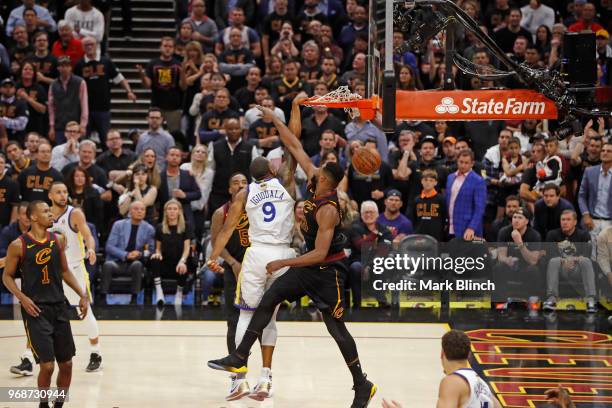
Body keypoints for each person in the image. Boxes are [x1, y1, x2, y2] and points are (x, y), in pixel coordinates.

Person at [207, 105, 377, 408]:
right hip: (305, 263)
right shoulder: (314, 177)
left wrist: (284, 262)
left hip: (327, 269)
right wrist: (276, 119)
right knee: (270, 297)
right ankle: (239, 357)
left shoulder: (328, 209)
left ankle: (361, 384)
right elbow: (293, 145)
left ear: (327, 181)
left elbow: (319, 253)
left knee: (336, 330)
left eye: (321, 169)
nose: (315, 167)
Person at [206, 99, 302, 400]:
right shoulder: (286, 182)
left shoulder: (245, 194)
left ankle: (239, 380)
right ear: (272, 170)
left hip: (257, 253)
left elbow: (226, 231)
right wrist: (286, 113)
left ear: (250, 175)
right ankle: (266, 379)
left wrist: (212, 257)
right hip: (284, 255)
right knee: (269, 318)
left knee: (245, 315)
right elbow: (293, 143)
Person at [2, 200, 88, 408]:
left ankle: (58, 404)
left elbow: (65, 271)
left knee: (66, 364)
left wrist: (82, 294)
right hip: (35, 310)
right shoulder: (18, 245)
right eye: (45, 211)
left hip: (59, 306)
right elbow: (7, 276)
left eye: (50, 211)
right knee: (47, 366)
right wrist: (22, 297)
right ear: (33, 217)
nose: (51, 215)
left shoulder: (57, 241)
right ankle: (43, 404)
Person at [47, 182, 102, 371]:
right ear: (50, 195)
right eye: (58, 192)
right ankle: (29, 358)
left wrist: (91, 249)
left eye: (65, 191)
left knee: (84, 312)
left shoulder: (74, 213)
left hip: (74, 269)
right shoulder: (44, 215)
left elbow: (88, 235)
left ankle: (96, 353)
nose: (63, 195)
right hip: (50, 270)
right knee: (40, 313)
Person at [100, 201, 155, 305]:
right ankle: (102, 298)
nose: (139, 211)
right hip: (117, 261)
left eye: (142, 209)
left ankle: (134, 299)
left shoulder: (149, 229)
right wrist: (126, 255)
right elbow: (109, 246)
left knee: (137, 265)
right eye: (136, 209)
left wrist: (139, 254)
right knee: (107, 265)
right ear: (130, 211)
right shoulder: (118, 225)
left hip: (135, 263)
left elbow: (151, 251)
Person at [544, 209, 596, 313]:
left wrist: (573, 259)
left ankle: (590, 299)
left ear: (575, 222)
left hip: (577, 270)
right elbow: (550, 255)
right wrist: (564, 261)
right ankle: (552, 298)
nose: (565, 222)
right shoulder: (552, 234)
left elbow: (586, 255)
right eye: (563, 219)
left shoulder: (584, 235)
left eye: (568, 219)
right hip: (560, 269)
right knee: (554, 261)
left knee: (586, 261)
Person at [150, 199, 193, 306]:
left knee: (184, 265)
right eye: (169, 209)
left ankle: (179, 293)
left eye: (175, 209)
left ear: (179, 211)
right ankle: (159, 293)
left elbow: (187, 248)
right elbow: (158, 248)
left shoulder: (186, 226)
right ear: (165, 211)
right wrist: (158, 253)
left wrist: (182, 261)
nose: (172, 211)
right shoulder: (160, 227)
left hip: (179, 261)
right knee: (154, 259)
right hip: (165, 262)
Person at [446, 150, 487, 240]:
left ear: (472, 164)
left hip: (467, 227)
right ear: (457, 161)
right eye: (461, 162)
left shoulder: (478, 181)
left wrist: (471, 227)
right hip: (450, 225)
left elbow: (479, 208)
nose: (463, 165)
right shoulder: (450, 177)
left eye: (466, 163)